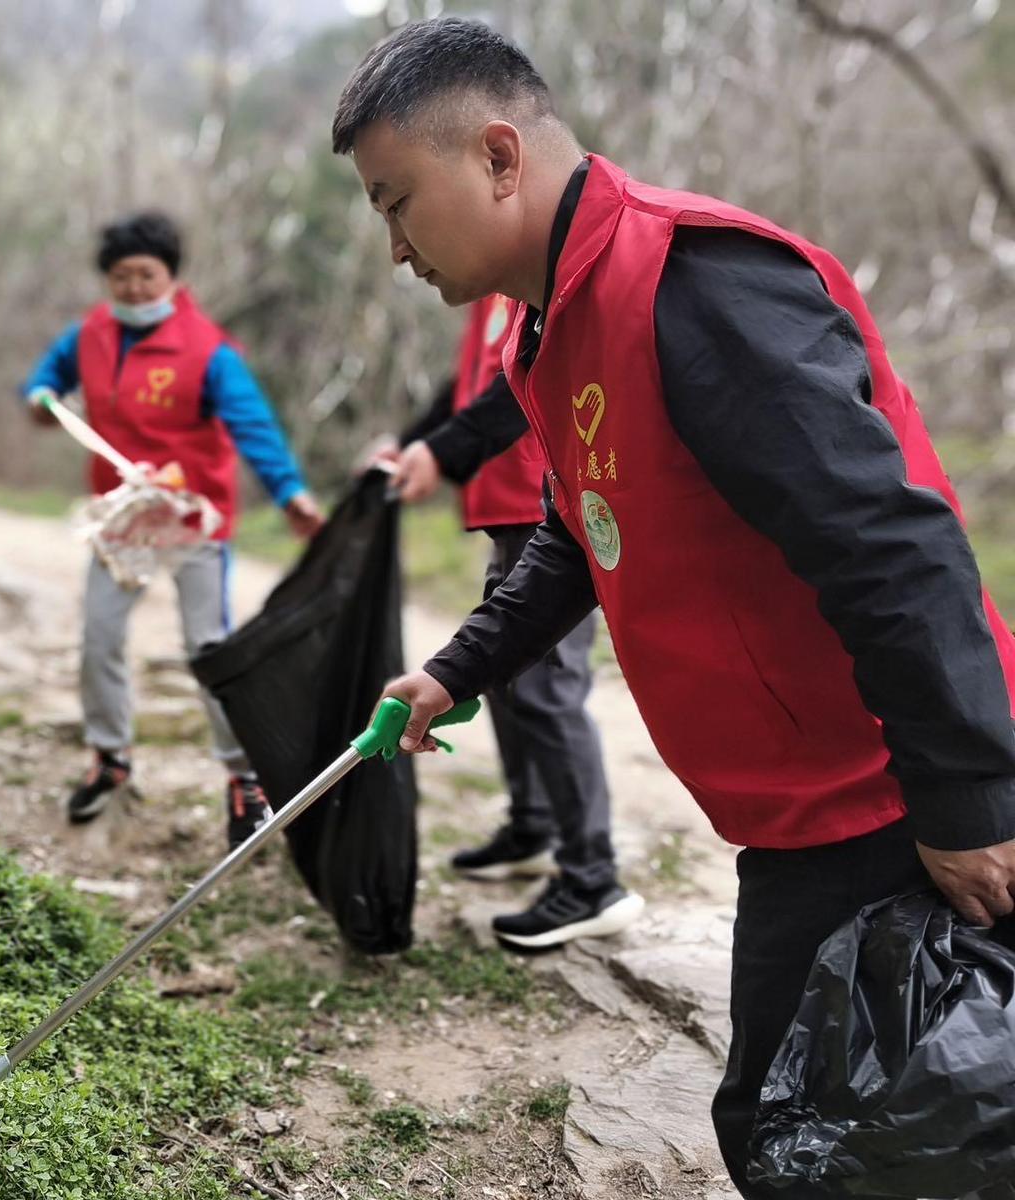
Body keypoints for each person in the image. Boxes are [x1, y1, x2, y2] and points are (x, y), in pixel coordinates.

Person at [332, 17, 1015, 1195]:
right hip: (798, 814)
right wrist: (456, 669)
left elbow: (891, 549)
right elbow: (580, 530)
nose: (393, 245)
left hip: (886, 809)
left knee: (835, 1137)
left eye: (396, 201)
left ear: (499, 156)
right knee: (834, 1133)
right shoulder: (554, 328)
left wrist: (964, 798)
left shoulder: (696, 283)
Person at [23, 211, 325, 846]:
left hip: (193, 518)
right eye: (121, 276)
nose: (134, 288)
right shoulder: (91, 335)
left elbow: (253, 426)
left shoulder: (207, 349)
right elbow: (46, 378)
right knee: (100, 636)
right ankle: (110, 757)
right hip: (124, 517)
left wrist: (289, 491)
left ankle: (245, 779)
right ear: (106, 280)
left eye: (146, 275)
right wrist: (42, 399)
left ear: (171, 276)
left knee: (207, 649)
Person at [384, 295, 637, 947]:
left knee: (548, 690)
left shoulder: (531, 283)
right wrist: (412, 443)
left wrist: (440, 453)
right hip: (503, 508)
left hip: (543, 510)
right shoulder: (489, 295)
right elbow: (468, 387)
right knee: (504, 678)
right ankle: (533, 826)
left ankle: (592, 878)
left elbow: (510, 395)